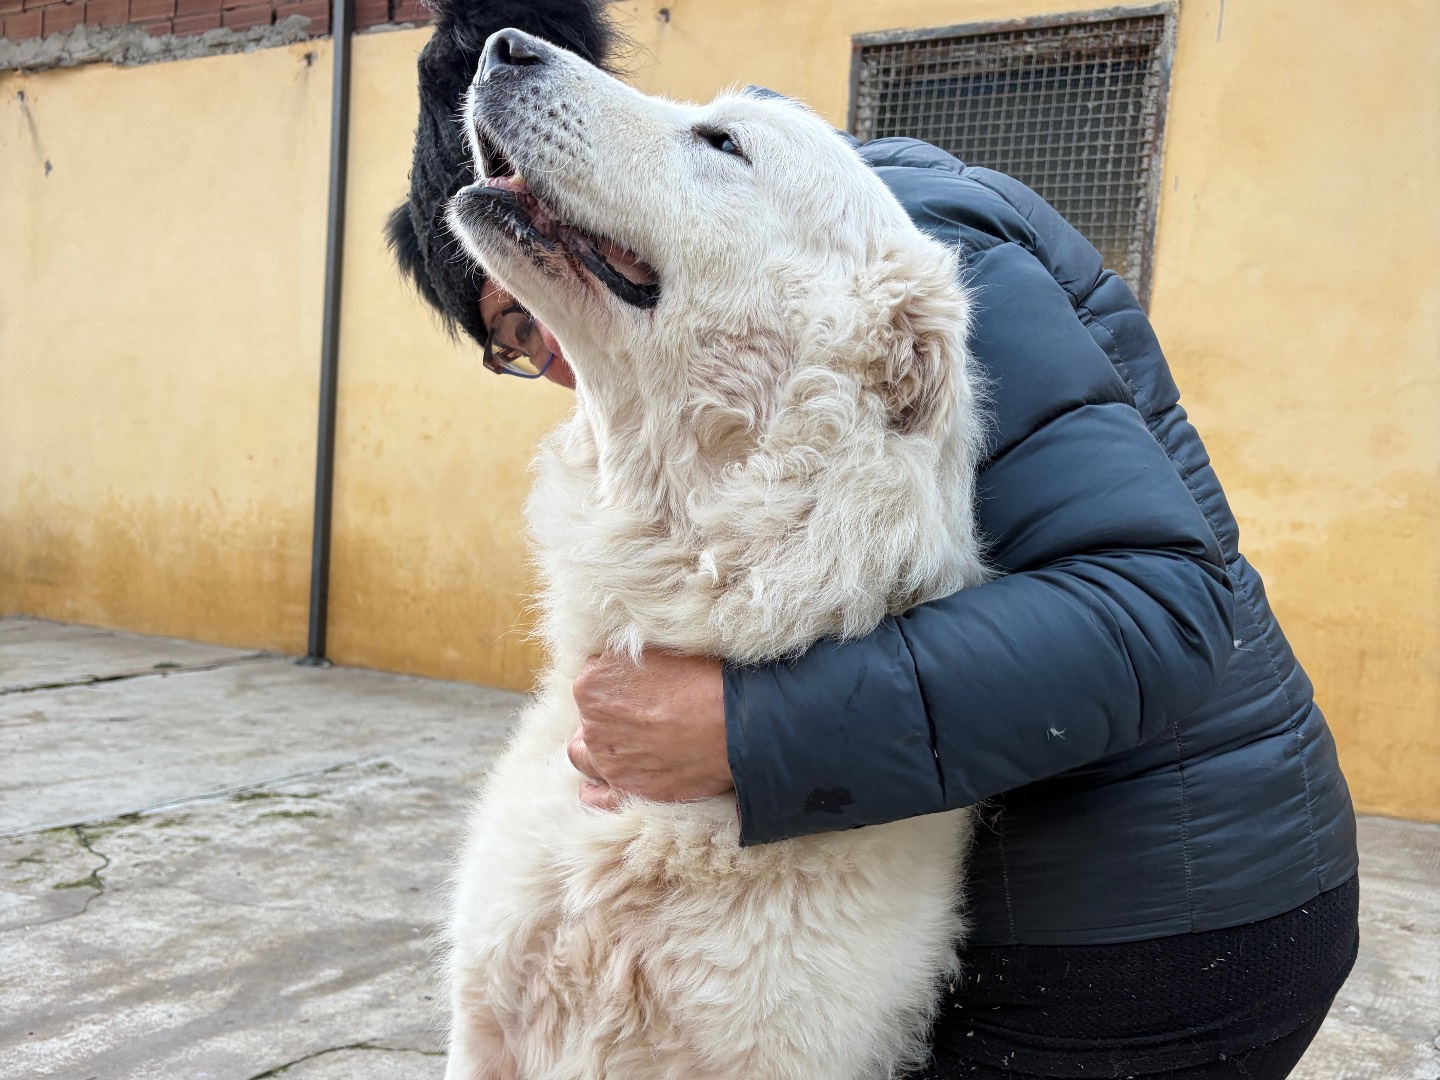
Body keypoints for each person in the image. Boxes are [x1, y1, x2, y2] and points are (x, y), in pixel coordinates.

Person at [388, 3, 1361, 1077]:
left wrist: (743, 728)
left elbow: (1158, 609)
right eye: (516, 335)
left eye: (537, 293)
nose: (553, 356)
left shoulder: (900, 236)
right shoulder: (739, 299)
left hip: (1156, 912)